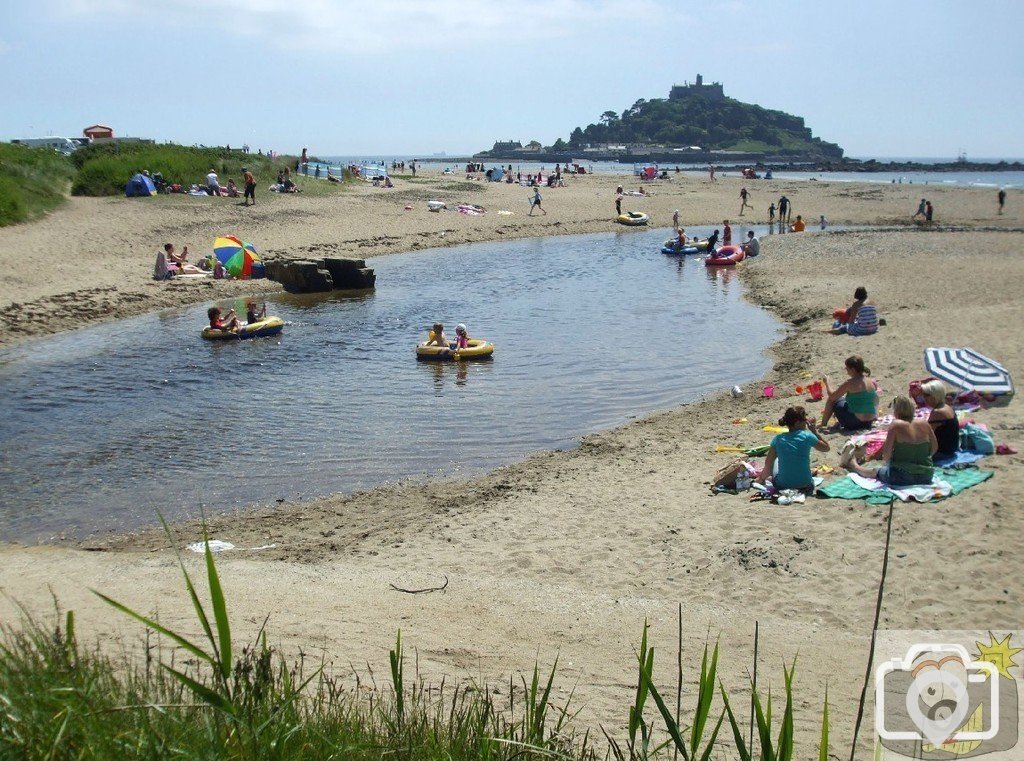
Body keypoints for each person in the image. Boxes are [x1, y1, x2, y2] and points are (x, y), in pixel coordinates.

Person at [840, 396, 937, 486]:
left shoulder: (896, 425)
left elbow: (886, 456)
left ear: (897, 410)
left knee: (875, 472)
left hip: (903, 476)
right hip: (927, 476)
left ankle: (854, 465)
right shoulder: (924, 423)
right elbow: (934, 448)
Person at [755, 406, 830, 493]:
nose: (806, 422)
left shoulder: (778, 439)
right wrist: (814, 431)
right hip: (805, 485)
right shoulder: (807, 436)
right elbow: (826, 448)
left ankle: (761, 479)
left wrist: (762, 478)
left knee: (776, 459)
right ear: (797, 423)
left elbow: (768, 463)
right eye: (804, 420)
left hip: (782, 486)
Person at [820, 355, 878, 430]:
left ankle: (823, 424)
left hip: (854, 423)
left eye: (847, 367)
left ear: (853, 369)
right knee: (845, 400)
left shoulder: (850, 383)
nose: (845, 369)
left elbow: (832, 396)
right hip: (868, 422)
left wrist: (827, 383)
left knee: (831, 400)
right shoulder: (870, 381)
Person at [921, 379, 959, 458]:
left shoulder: (937, 412)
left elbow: (926, 436)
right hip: (952, 447)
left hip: (943, 451)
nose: (923, 398)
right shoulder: (947, 407)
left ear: (935, 396)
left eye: (926, 395)